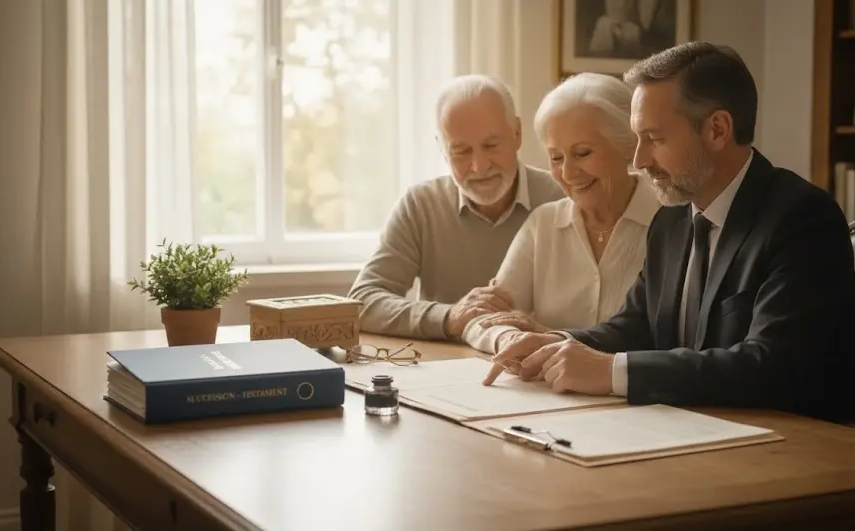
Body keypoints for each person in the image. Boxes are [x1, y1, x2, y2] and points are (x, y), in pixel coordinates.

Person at [483, 42, 855, 424]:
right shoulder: (672, 220)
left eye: (655, 139)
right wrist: (561, 344)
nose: (640, 160)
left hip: (791, 450)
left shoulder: (803, 219)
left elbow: (770, 366)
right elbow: (636, 326)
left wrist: (608, 371)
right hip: (691, 433)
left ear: (717, 129)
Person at [348, 74, 564, 340]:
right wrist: (449, 317)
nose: (479, 167)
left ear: (517, 134)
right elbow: (362, 303)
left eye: (491, 145)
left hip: (538, 365)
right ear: (442, 149)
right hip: (444, 369)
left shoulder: (562, 198)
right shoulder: (421, 205)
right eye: (461, 151)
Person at [460, 72, 661, 355]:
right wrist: (510, 339)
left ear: (627, 145)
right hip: (550, 391)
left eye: (582, 153)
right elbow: (482, 318)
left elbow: (670, 340)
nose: (567, 173)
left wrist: (554, 339)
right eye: (556, 157)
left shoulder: (671, 222)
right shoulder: (543, 224)